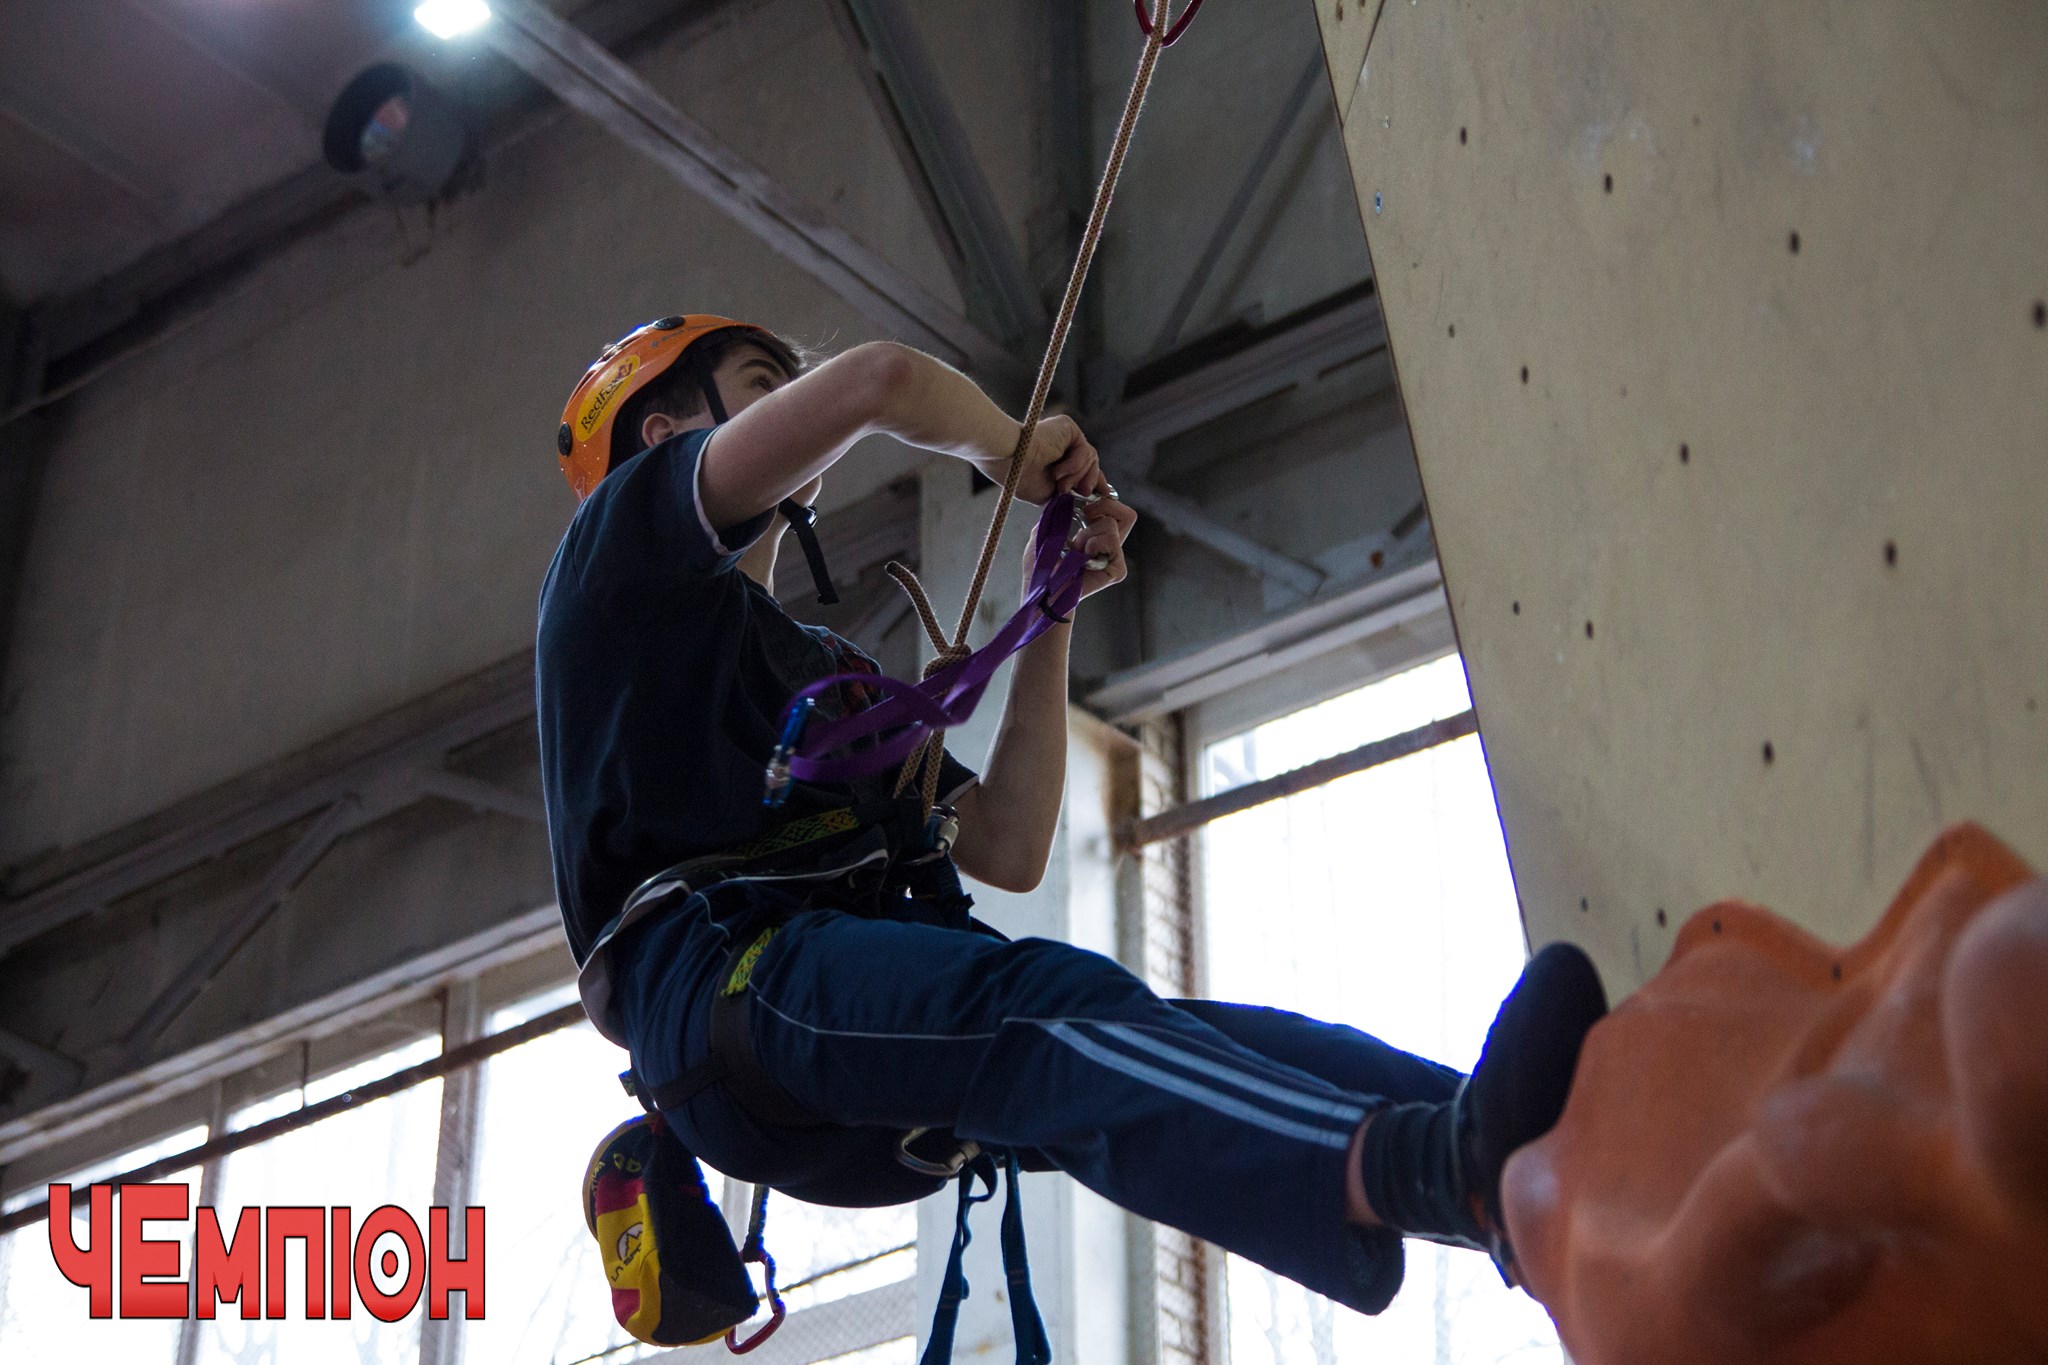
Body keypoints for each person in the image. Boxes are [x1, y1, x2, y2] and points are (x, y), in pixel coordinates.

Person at [537, 314, 1609, 1316]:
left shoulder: (824, 673)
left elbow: (1006, 840)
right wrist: (1005, 447)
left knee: (1233, 1044)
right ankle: (1436, 1169)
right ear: (661, 433)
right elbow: (879, 382)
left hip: (822, 1028)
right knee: (1046, 1010)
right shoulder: (614, 557)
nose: (799, 402)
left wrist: (1049, 613)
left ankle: (1550, 1167)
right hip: (726, 986)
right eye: (767, 387)